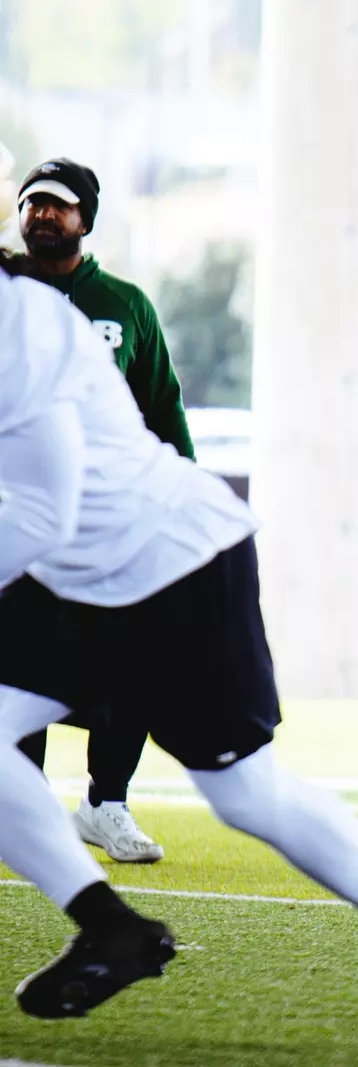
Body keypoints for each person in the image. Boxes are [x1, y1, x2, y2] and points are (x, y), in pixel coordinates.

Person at [0, 270, 358, 1031]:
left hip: (170, 563)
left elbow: (48, 511)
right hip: (71, 576)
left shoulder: (19, 325)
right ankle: (109, 927)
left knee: (247, 795)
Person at [10, 158, 193, 866]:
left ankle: (104, 804)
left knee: (132, 664)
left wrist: (177, 494)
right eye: (32, 205)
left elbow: (161, 405)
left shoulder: (125, 305)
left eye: (58, 206)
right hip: (20, 518)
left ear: (86, 219)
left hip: (108, 519)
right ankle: (20, 809)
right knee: (17, 666)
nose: (43, 216)